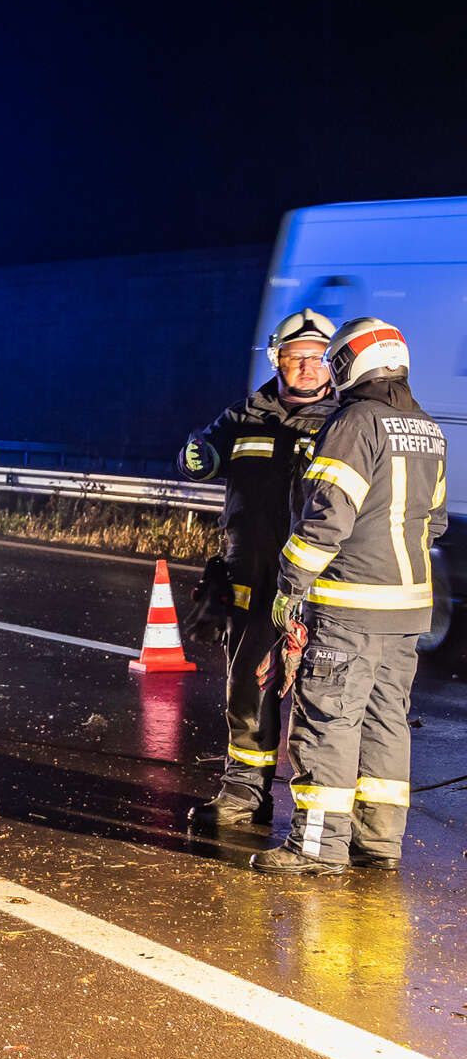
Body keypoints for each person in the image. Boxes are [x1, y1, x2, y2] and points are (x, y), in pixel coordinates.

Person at [253, 318, 448, 876]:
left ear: (350, 363)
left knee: (327, 721)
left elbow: (326, 518)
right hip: (407, 608)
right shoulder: (428, 426)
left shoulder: (354, 422)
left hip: (350, 606)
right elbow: (433, 524)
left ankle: (316, 847)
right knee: (386, 721)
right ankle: (378, 843)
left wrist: (289, 586)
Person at [180, 311, 338, 823]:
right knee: (249, 685)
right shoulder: (245, 415)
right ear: (278, 361)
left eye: (318, 358)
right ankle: (245, 792)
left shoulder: (349, 420)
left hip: (323, 582)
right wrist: (195, 454)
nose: (309, 368)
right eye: (297, 359)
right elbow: (197, 460)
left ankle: (327, 816)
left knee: (327, 697)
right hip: (253, 577)